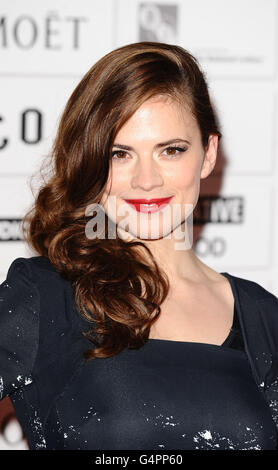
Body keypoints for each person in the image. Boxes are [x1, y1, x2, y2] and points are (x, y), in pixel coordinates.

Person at [0, 41, 278, 451]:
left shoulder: (265, 318)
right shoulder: (43, 297)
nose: (146, 180)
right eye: (120, 153)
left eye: (171, 150)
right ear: (92, 161)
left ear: (208, 154)